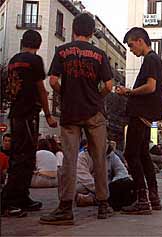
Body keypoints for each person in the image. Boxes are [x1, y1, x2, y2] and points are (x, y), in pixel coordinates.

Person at [40, 13, 113, 225]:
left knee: (69, 160)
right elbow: (108, 86)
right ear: (91, 33)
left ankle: (65, 208)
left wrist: (66, 93)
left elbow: (53, 81)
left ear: (74, 29)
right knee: (99, 158)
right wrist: (96, 97)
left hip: (71, 112)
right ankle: (103, 205)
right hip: (95, 113)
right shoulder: (99, 54)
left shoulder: (62, 51)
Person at [1, 30, 57, 217]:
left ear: (22, 42)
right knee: (24, 158)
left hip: (16, 113)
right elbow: (41, 89)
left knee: (19, 156)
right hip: (27, 114)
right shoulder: (35, 61)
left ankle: (22, 197)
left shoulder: (13, 61)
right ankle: (9, 202)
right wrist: (48, 114)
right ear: (38, 45)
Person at [116, 27, 162, 215]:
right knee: (143, 154)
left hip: (141, 113)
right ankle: (153, 197)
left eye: (130, 45)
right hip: (147, 114)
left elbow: (150, 87)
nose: (131, 50)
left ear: (139, 41)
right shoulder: (154, 60)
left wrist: (129, 92)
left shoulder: (151, 59)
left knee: (131, 154)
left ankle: (142, 199)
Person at [76, 143, 136, 211]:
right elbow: (85, 179)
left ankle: (93, 199)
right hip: (91, 187)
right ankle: (102, 199)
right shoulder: (82, 157)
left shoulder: (111, 155)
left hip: (108, 186)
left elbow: (122, 172)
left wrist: (113, 185)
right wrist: (103, 191)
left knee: (127, 183)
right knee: (79, 188)